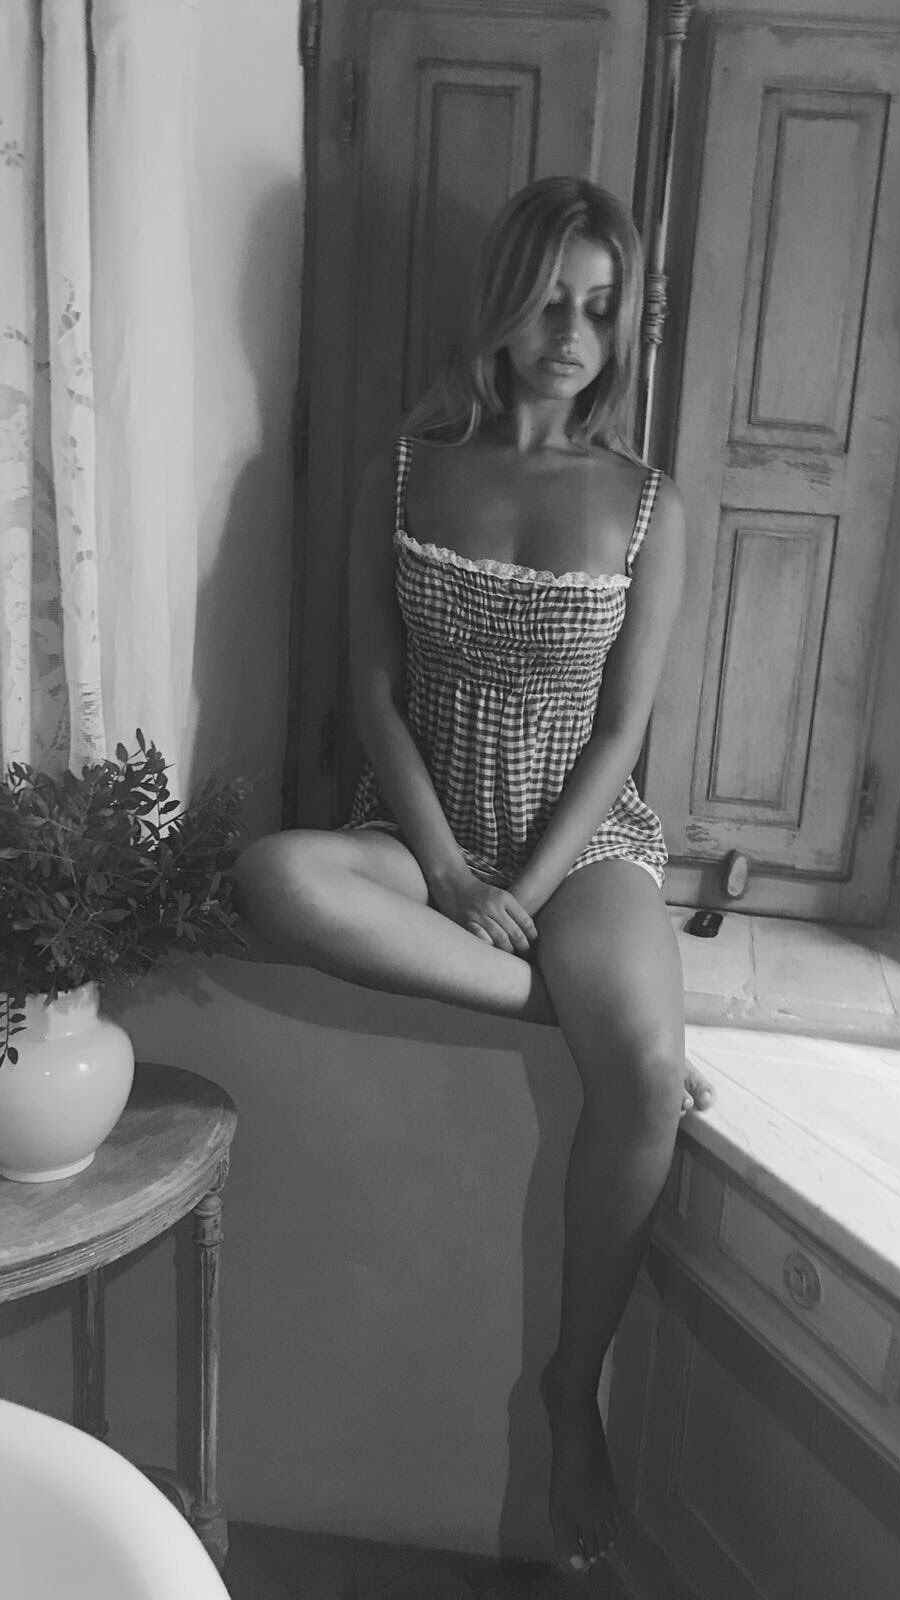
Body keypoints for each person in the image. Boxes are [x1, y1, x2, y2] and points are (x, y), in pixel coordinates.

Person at [233, 174, 714, 1574]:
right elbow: (374, 694)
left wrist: (534, 893)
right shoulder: (402, 471)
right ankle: (575, 1000)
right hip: (422, 833)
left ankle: (570, 1389)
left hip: (583, 844)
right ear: (502, 303)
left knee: (643, 1080)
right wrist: (447, 873)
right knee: (275, 877)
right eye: (551, 301)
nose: (572, 336)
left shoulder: (647, 504)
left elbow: (619, 733)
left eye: (601, 309)